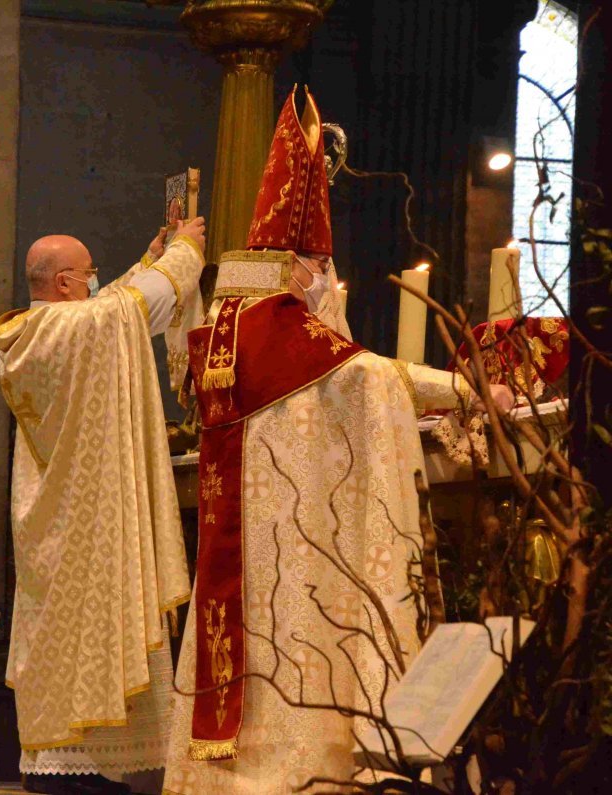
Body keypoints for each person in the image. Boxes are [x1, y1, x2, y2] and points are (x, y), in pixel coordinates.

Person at [163, 86, 512, 794]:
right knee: (304, 640)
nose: (329, 285)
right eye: (322, 269)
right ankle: (298, 766)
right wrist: (472, 391)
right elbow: (369, 377)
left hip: (245, 541)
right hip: (298, 544)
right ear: (300, 264)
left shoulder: (221, 331)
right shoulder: (287, 328)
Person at [0, 218, 206, 794]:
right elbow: (131, 311)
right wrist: (185, 254)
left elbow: (116, 311)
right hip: (83, 521)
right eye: (86, 274)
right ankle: (74, 773)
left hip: (59, 518)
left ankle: (87, 766)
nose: (93, 282)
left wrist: (148, 256)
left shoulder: (41, 328)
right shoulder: (70, 326)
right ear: (63, 282)